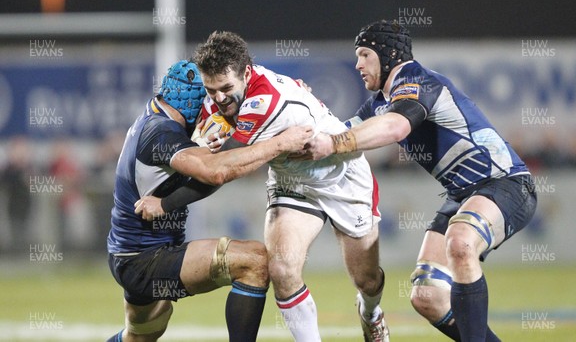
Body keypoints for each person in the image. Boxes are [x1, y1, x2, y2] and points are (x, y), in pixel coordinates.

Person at [302, 20, 537, 341]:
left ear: (387, 55)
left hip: (505, 183)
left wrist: (335, 143)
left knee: (461, 242)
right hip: (463, 195)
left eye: (364, 55)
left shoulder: (417, 81)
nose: (358, 64)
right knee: (428, 296)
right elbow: (337, 130)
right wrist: (306, 107)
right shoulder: (380, 103)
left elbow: (395, 128)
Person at [147, 31, 389, 341]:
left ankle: (371, 313)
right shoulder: (223, 96)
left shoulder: (266, 101)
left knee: (367, 280)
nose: (219, 99)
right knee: (282, 269)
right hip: (291, 182)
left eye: (226, 89)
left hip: (343, 178)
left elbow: (222, 172)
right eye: (211, 90)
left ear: (246, 73)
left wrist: (164, 202)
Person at [106, 60, 312, 342]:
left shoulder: (154, 117)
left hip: (130, 255)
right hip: (145, 259)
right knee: (254, 262)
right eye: (207, 96)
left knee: (140, 337)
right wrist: (280, 142)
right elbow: (216, 172)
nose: (213, 105)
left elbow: (211, 171)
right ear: (192, 100)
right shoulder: (162, 132)